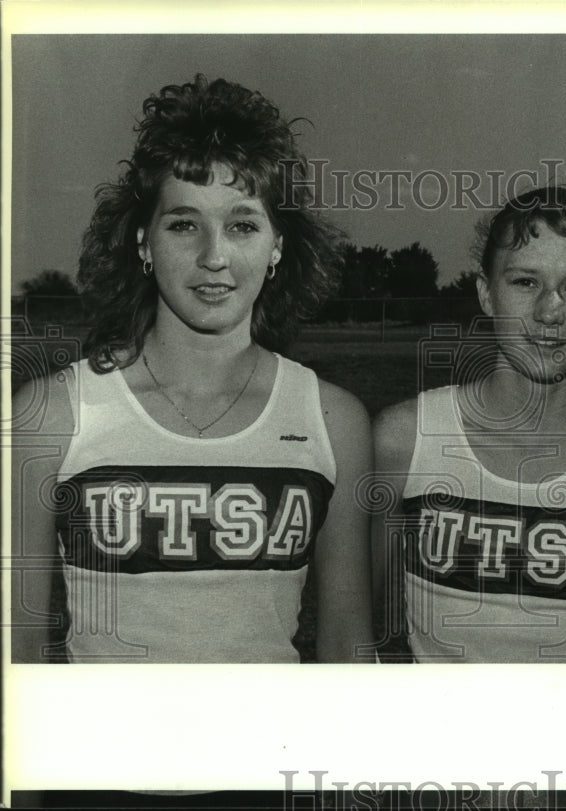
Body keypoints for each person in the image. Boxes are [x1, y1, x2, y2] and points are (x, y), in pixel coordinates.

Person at [10, 75, 373, 664]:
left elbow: (347, 646)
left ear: (278, 246)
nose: (214, 256)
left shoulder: (333, 420)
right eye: (183, 224)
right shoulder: (50, 414)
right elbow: (17, 649)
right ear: (143, 243)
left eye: (243, 224)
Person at [371, 185, 566, 662]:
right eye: (525, 282)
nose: (548, 312)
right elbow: (360, 631)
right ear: (486, 293)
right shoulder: (405, 439)